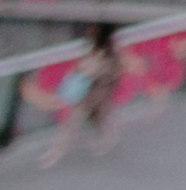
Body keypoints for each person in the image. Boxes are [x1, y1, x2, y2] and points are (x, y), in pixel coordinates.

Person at [24, 24, 125, 167]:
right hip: (91, 95)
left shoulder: (104, 55)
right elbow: (83, 74)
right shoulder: (98, 53)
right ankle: (55, 154)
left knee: (99, 119)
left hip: (98, 94)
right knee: (71, 124)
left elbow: (88, 73)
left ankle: (106, 139)